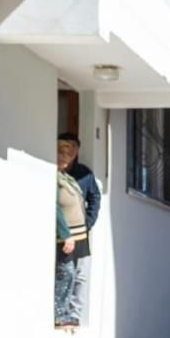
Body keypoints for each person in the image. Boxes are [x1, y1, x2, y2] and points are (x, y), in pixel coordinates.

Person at [57, 133, 99, 327]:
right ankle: (61, 313)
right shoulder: (57, 171)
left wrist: (88, 223)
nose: (67, 152)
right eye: (63, 148)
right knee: (66, 271)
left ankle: (74, 315)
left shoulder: (84, 173)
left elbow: (94, 198)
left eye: (72, 148)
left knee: (81, 274)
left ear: (77, 150)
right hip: (63, 233)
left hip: (82, 233)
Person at [54, 163, 87, 331]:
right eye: (61, 151)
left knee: (76, 275)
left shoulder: (67, 177)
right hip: (66, 235)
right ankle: (59, 314)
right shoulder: (54, 178)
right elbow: (56, 207)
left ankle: (68, 314)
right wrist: (65, 233)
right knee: (65, 273)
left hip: (79, 235)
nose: (64, 157)